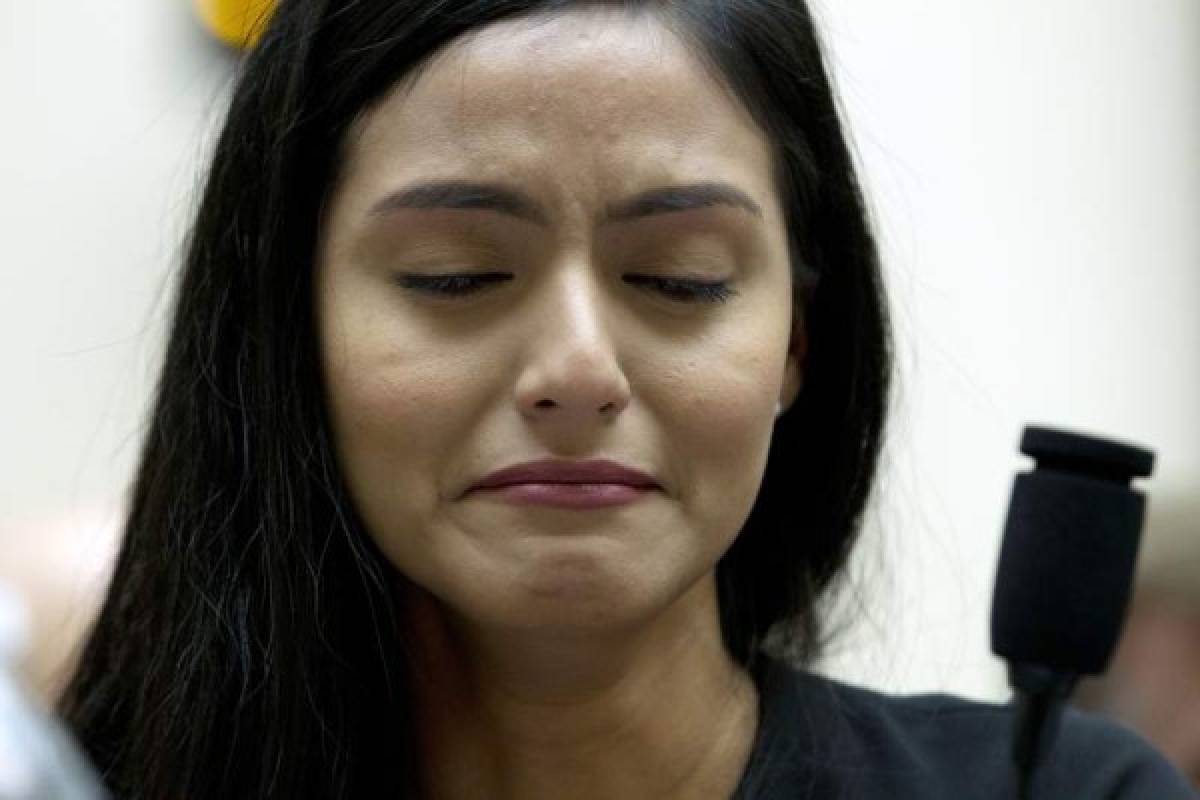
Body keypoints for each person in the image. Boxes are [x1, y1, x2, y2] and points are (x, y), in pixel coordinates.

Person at [55, 1, 1195, 798]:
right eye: (456, 275)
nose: (578, 370)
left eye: (678, 279)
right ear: (291, 331)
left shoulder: (1072, 788)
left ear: (797, 340)